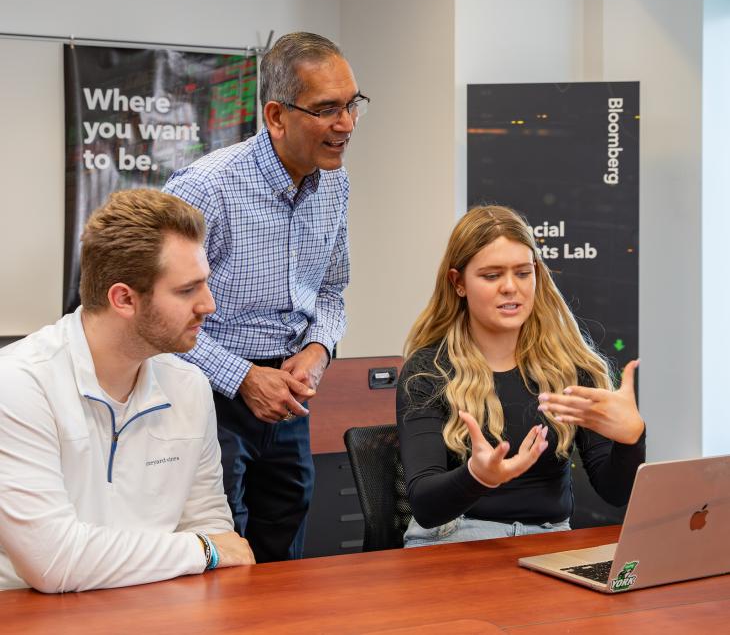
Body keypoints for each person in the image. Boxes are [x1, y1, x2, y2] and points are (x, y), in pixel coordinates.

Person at [163, 32, 367, 562]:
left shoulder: (335, 185)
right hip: (207, 392)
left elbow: (330, 291)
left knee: (285, 542)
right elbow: (160, 316)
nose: (345, 125)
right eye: (327, 110)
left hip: (290, 393)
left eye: (351, 105)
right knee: (220, 550)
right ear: (276, 116)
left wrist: (319, 351)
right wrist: (243, 378)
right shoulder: (205, 189)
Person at [0, 189, 254, 592]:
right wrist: (201, 551)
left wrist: (207, 547)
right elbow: (54, 562)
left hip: (159, 606)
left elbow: (211, 526)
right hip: (32, 617)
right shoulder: (17, 384)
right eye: (188, 290)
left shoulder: (189, 386)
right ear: (124, 299)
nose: (209, 305)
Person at [396, 205, 646, 547]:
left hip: (550, 540)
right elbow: (425, 506)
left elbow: (614, 492)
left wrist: (631, 440)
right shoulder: (427, 371)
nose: (510, 287)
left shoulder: (573, 367)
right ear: (458, 283)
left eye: (523, 273)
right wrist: (477, 477)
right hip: (455, 538)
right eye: (492, 275)